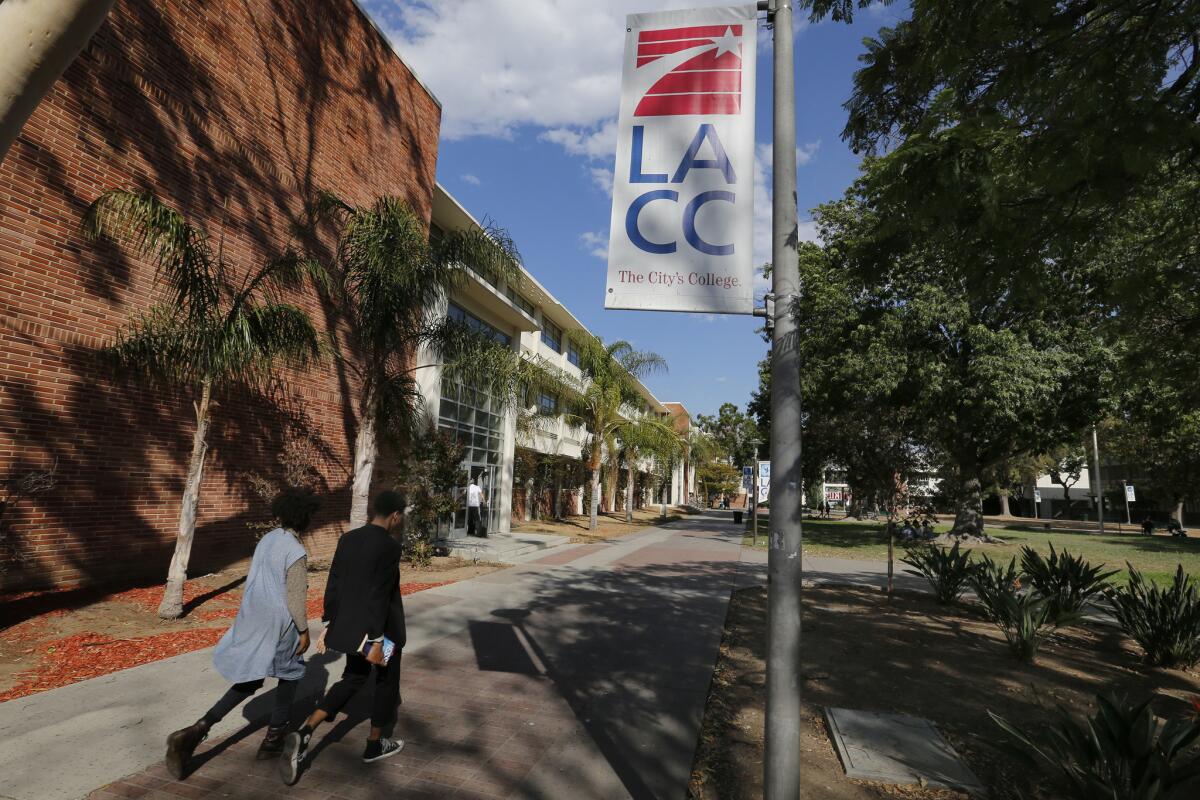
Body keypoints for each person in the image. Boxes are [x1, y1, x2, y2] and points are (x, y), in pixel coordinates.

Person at [164, 488, 320, 779]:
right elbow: (296, 597)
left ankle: (196, 731)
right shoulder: (296, 550)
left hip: (253, 618)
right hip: (280, 625)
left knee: (250, 678)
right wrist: (303, 630)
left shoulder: (267, 540)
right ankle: (272, 742)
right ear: (305, 517)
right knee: (290, 676)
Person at [280, 490, 408, 785]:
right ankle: (375, 745)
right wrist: (376, 640)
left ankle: (305, 730)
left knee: (353, 678)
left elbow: (334, 582)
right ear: (395, 516)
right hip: (381, 632)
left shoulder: (347, 539)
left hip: (350, 628)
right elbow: (380, 595)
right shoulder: (389, 548)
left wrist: (329, 622)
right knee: (387, 684)